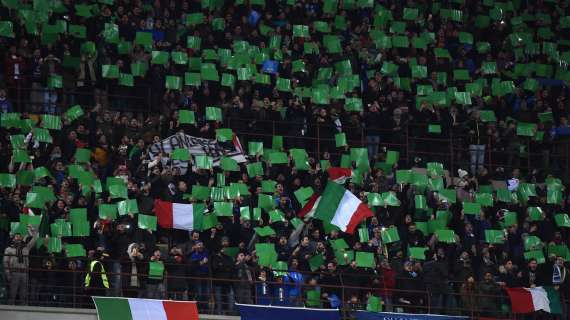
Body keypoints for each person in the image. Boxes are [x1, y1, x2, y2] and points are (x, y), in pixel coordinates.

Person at [3, 226, 38, 305]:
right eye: (16, 236)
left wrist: (33, 231)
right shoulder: (8, 249)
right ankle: (10, 309)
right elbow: (5, 262)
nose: (18, 238)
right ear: (13, 239)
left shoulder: (26, 248)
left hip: (24, 273)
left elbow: (34, 239)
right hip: (14, 272)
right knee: (12, 293)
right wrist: (8, 274)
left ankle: (24, 310)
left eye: (19, 236)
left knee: (24, 294)